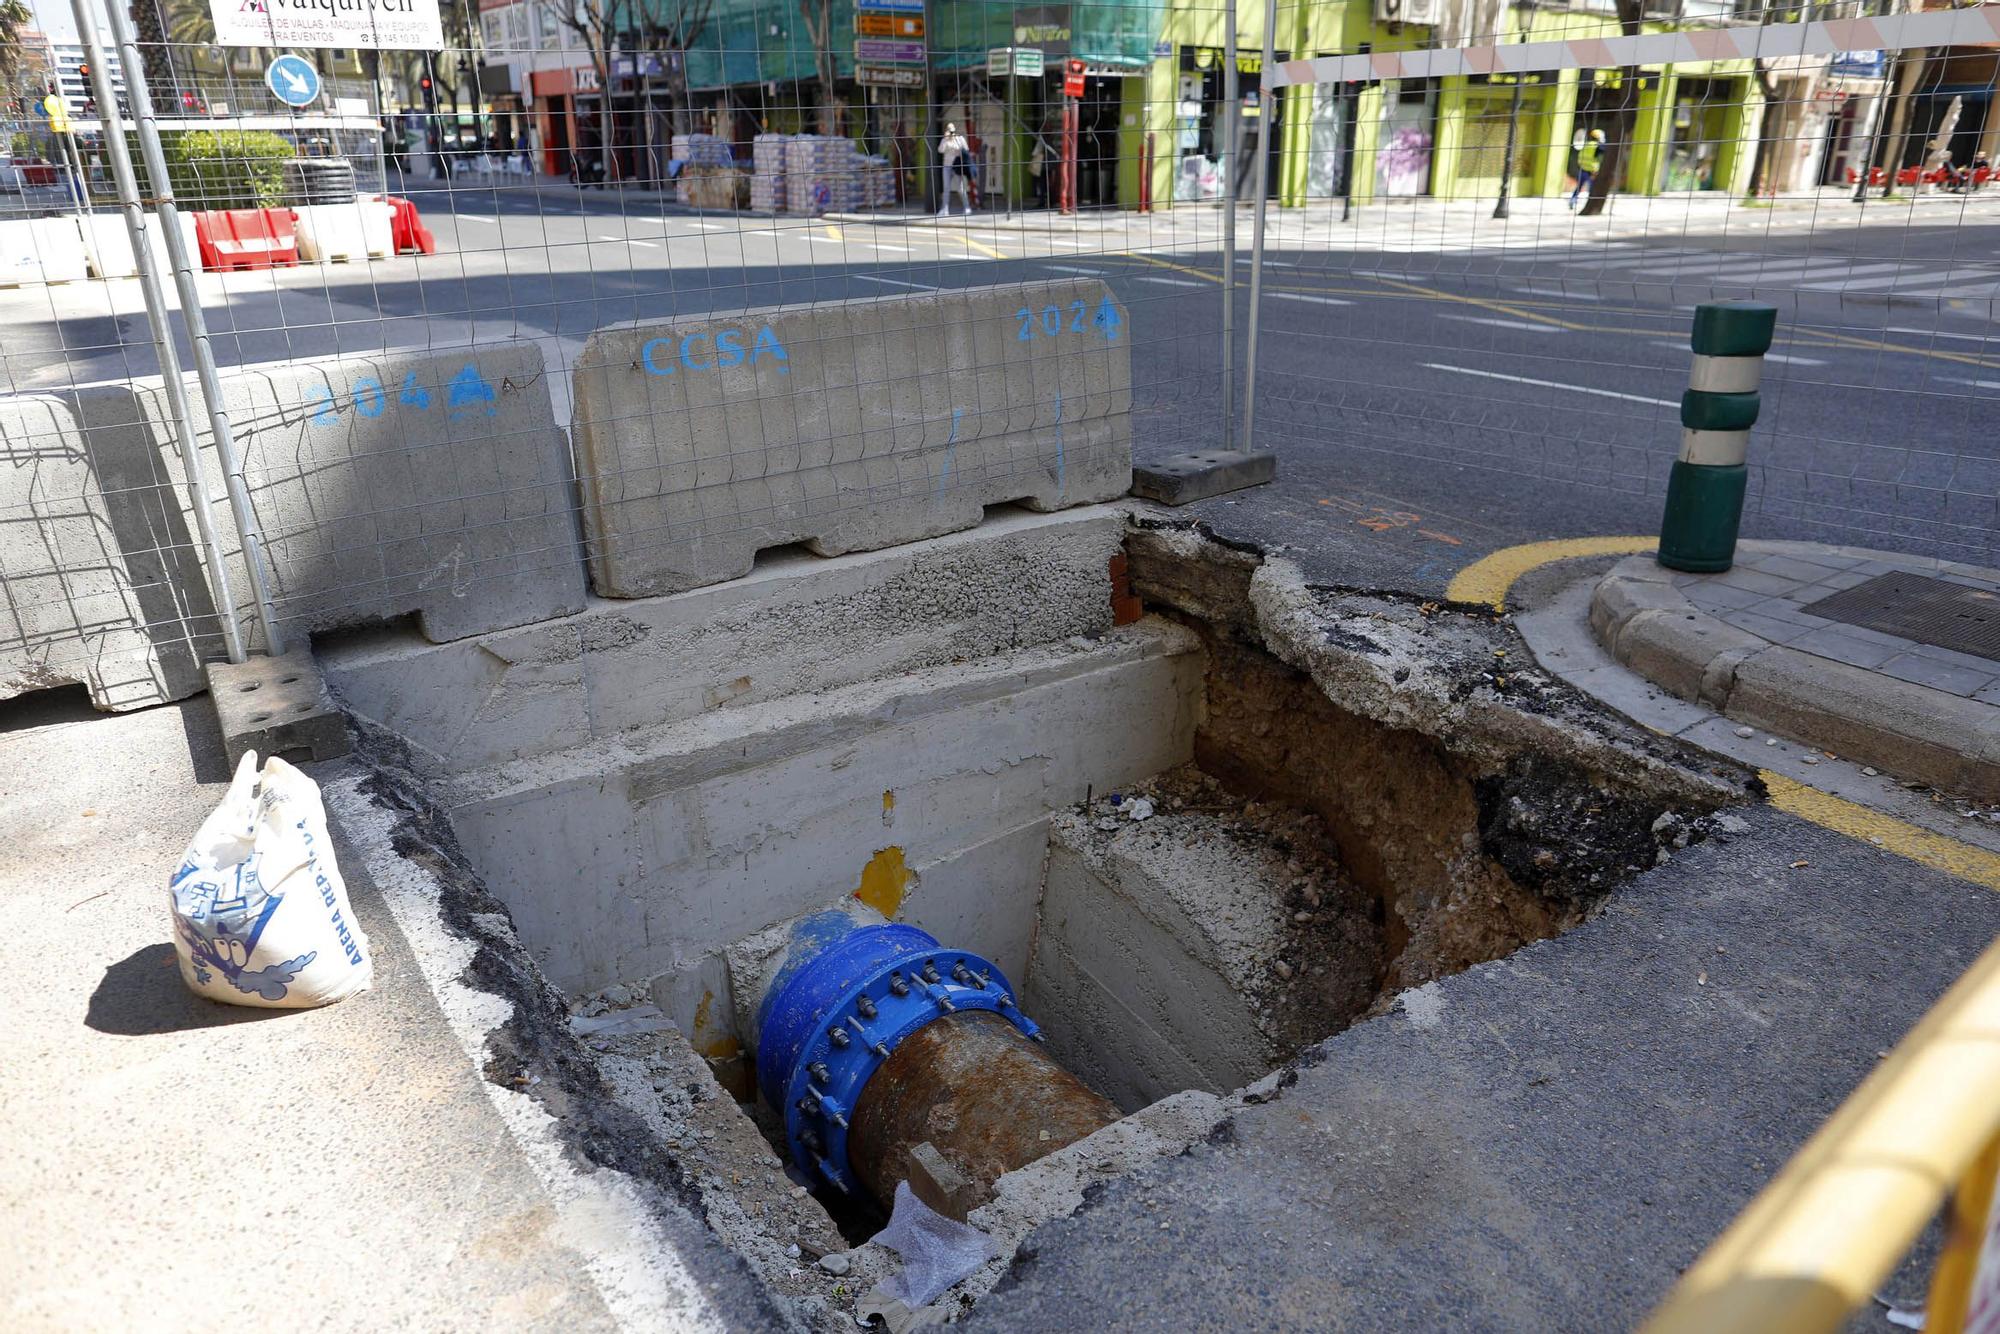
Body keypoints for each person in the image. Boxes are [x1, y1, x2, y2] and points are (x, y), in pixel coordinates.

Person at [938, 122, 971, 217]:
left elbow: (966, 149)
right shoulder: (945, 140)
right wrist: (945, 140)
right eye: (949, 130)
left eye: (952, 131)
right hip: (947, 166)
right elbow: (940, 150)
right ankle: (944, 209)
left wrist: (957, 145)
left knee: (960, 188)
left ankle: (967, 207)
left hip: (957, 166)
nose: (951, 133)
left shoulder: (959, 138)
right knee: (946, 188)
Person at [1570, 128, 1604, 209]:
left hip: (1582, 169)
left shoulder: (1586, 145)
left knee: (1578, 188)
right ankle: (1592, 204)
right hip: (1592, 172)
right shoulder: (1598, 147)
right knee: (1593, 189)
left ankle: (1572, 200)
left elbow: (1580, 157)